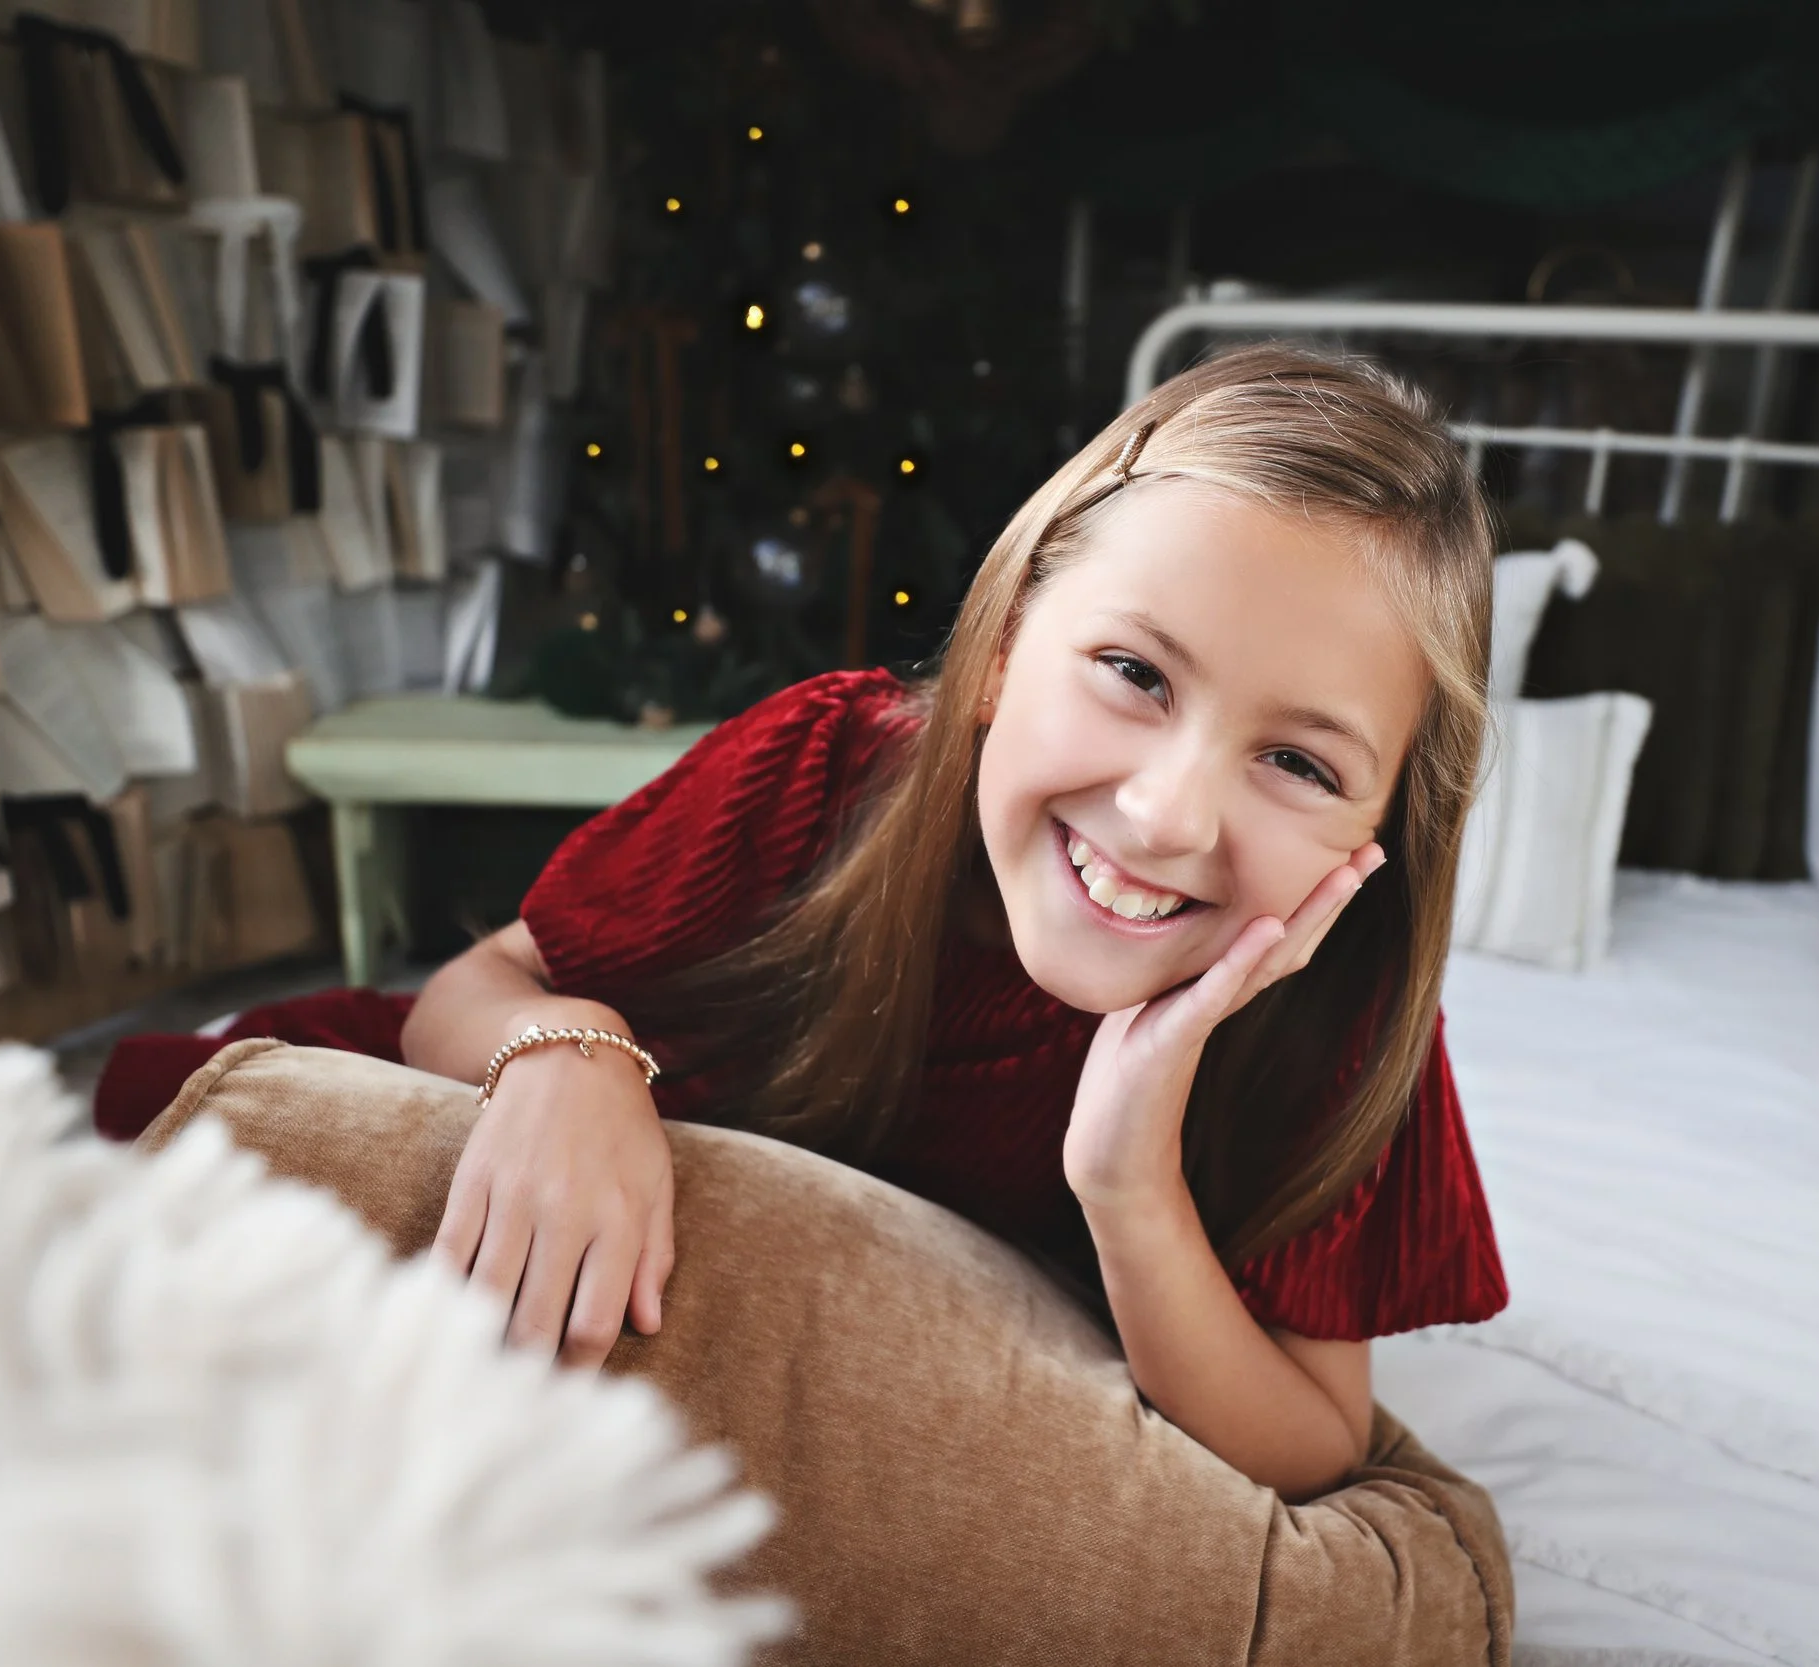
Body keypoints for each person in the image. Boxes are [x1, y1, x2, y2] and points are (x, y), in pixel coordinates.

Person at [103, 344, 1507, 1502]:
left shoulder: (1337, 999)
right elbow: (476, 983)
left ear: (1381, 826)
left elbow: (1320, 1436)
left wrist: (1129, 1179)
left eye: (1301, 762)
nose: (1165, 816)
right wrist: (570, 1054)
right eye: (1134, 671)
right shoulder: (830, 773)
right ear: (1006, 647)